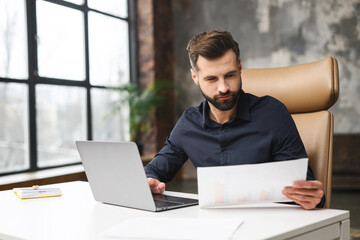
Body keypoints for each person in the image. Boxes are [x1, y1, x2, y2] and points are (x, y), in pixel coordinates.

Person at [144, 30, 325, 210]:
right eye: (211, 79)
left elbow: (304, 187)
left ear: (239, 67)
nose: (223, 88)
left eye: (230, 75)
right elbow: (155, 170)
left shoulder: (273, 115)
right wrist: (148, 181)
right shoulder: (189, 123)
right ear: (195, 78)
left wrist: (311, 196)